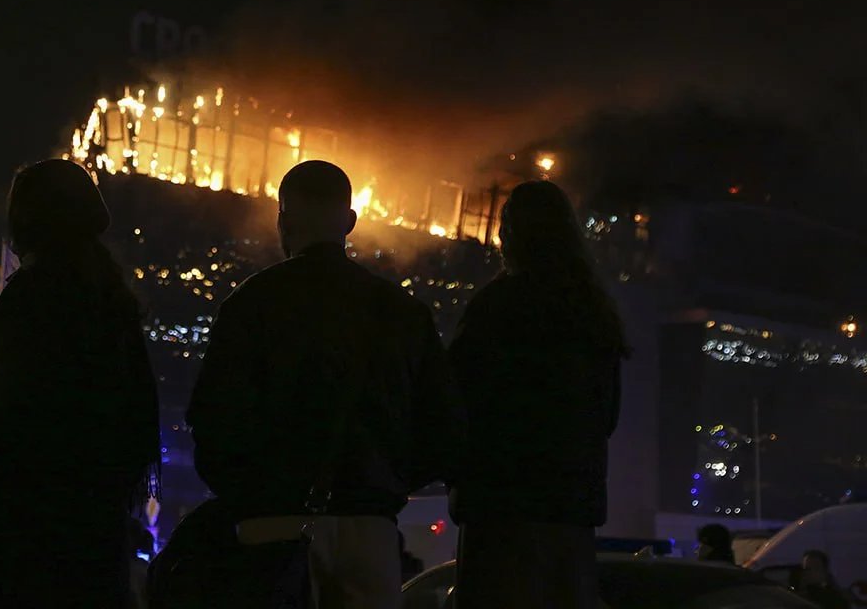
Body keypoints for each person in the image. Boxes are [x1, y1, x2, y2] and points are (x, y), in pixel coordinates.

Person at [187, 160, 467, 609]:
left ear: (283, 220)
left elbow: (212, 416)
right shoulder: (402, 313)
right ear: (350, 222)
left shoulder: (251, 302)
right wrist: (386, 481)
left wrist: (248, 494)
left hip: (271, 526)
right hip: (369, 529)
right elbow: (443, 428)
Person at [0, 159, 161, 608]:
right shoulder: (111, 302)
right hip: (90, 533)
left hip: (22, 531)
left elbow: (11, 411)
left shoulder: (34, 296)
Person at [448, 180, 627, 609]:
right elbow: (607, 416)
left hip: (499, 509)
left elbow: (455, 396)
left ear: (510, 234)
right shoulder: (593, 314)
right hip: (570, 515)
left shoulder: (496, 306)